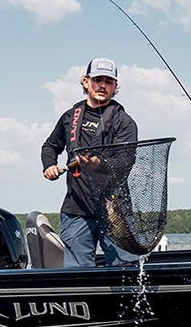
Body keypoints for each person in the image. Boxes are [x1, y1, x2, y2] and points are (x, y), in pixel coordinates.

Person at [41, 57, 139, 267]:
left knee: (125, 273)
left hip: (115, 210)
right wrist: (49, 165)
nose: (102, 85)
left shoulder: (125, 122)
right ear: (86, 82)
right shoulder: (69, 117)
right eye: (97, 80)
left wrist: (99, 164)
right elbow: (50, 146)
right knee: (77, 276)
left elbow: (125, 162)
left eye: (108, 81)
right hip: (76, 210)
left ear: (115, 86)